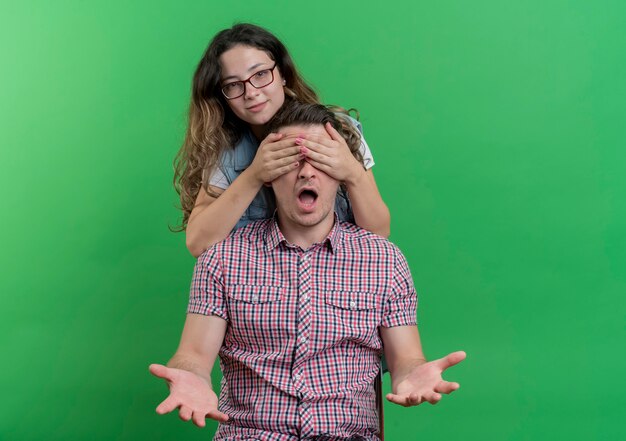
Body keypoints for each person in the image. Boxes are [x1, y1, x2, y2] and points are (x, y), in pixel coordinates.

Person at [151, 101, 466, 440]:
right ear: (269, 176)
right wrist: (190, 377)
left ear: (341, 174)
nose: (306, 172)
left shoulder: (383, 260)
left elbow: (406, 360)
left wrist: (414, 375)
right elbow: (194, 356)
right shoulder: (223, 259)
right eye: (292, 160)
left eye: (320, 159)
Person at [173, 23, 390, 257]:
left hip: (332, 280)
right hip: (262, 286)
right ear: (222, 96)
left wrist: (352, 172)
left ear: (283, 74)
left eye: (260, 74)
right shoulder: (227, 152)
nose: (251, 92)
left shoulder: (337, 131)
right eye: (234, 85)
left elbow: (378, 234)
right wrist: (255, 174)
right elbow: (198, 243)